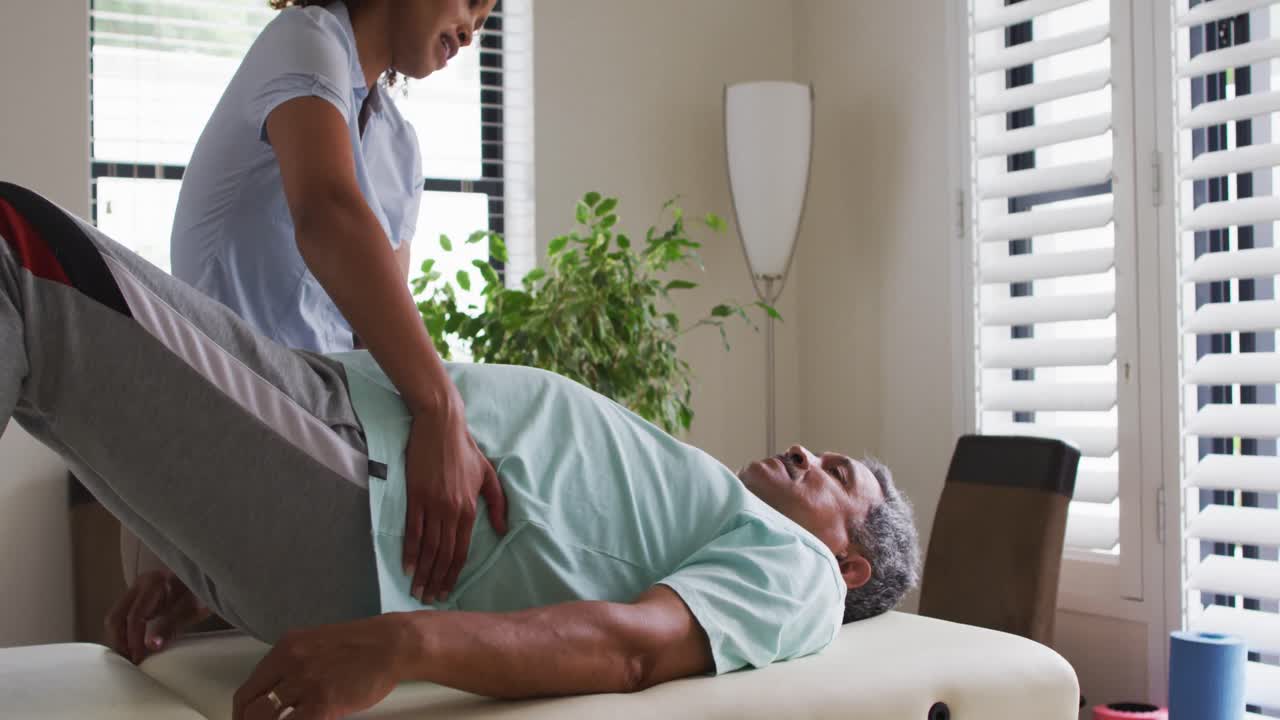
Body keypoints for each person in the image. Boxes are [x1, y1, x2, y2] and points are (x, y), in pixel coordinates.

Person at [0, 183, 920, 720]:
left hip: (363, 495)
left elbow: (636, 648)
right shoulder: (715, 506)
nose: (806, 450)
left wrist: (402, 645)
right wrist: (206, 572)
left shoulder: (799, 573)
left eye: (838, 474)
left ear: (848, 563)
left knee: (17, 252)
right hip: (342, 440)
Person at [114, 0, 507, 652]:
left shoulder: (399, 149)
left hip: (317, 449)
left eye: (488, 16)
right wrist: (441, 408)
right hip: (212, 433)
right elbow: (326, 215)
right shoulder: (303, 40)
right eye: (470, 1)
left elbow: (375, 340)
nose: (472, 29)